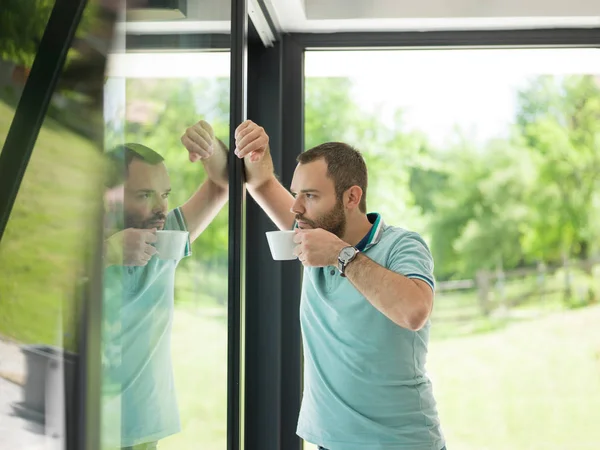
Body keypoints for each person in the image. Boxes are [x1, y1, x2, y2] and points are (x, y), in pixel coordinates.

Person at [216, 120, 446, 450]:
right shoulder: (311, 237)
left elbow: (414, 312)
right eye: (296, 194)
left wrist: (342, 255)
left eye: (309, 196)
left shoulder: (402, 245)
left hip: (401, 442)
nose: (296, 208)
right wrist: (256, 148)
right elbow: (263, 182)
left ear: (352, 197)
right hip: (329, 442)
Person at [102, 120, 229, 450]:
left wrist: (210, 148)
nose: (161, 207)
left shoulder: (166, 235)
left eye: (165, 195)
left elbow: (221, 185)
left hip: (145, 428)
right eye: (145, 195)